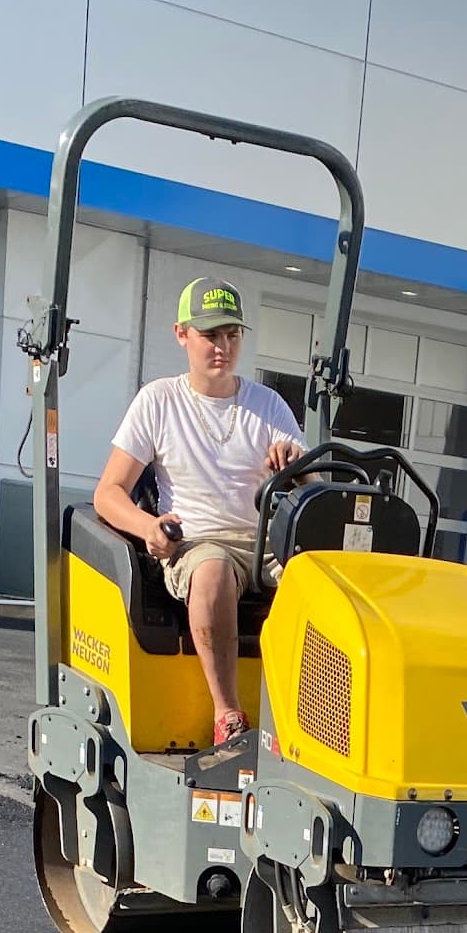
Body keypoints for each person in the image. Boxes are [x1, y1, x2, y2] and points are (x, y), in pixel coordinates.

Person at [94, 278, 304, 748]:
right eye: (210, 335)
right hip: (199, 543)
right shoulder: (159, 401)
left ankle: (309, 720)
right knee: (211, 572)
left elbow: (312, 483)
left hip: (265, 544)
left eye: (232, 335)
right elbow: (108, 493)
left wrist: (294, 463)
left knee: (321, 585)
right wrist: (150, 527)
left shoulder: (267, 405)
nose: (222, 347)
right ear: (181, 334)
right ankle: (228, 713)